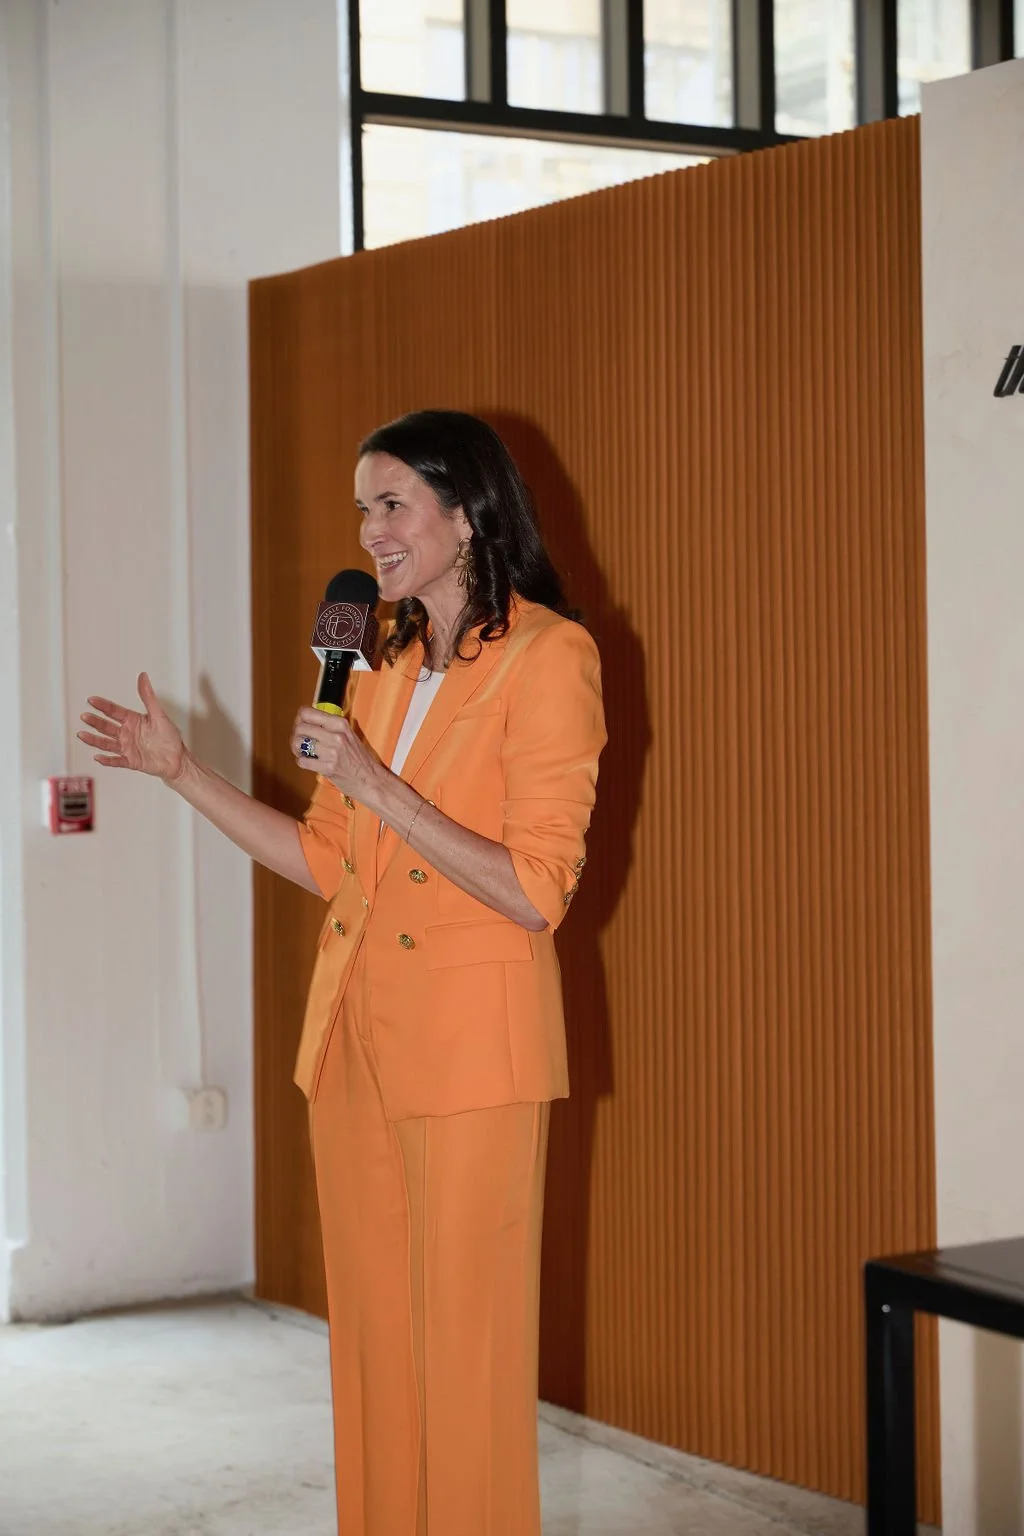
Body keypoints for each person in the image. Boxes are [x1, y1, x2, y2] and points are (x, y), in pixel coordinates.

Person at [79, 409, 607, 1535]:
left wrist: (377, 788)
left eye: (390, 505)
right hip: (354, 1048)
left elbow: (535, 890)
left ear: (465, 515)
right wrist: (181, 772)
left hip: (473, 1061)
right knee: (372, 1357)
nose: (368, 533)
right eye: (361, 509)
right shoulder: (371, 669)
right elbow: (326, 858)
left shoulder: (550, 657)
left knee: (465, 1363)